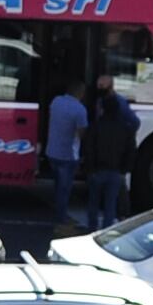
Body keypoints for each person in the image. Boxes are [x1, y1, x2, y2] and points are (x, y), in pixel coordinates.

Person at [82, 78, 139, 230]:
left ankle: (91, 230)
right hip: (115, 171)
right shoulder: (125, 129)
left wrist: (90, 168)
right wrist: (124, 169)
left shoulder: (96, 126)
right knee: (110, 205)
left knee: (93, 203)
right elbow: (131, 150)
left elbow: (89, 148)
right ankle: (105, 232)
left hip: (97, 170)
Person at [42, 79, 88, 227]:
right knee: (65, 188)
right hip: (68, 154)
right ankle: (61, 217)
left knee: (58, 185)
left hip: (52, 151)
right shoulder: (80, 110)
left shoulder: (56, 101)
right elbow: (82, 133)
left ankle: (56, 211)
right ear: (81, 93)